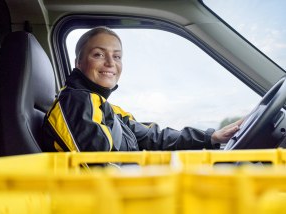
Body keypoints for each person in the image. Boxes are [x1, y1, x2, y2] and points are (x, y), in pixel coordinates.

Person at [42, 26, 243, 153]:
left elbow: (152, 137)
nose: (111, 63)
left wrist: (212, 137)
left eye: (117, 56)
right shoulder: (75, 102)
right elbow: (99, 167)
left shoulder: (107, 108)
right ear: (78, 63)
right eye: (98, 55)